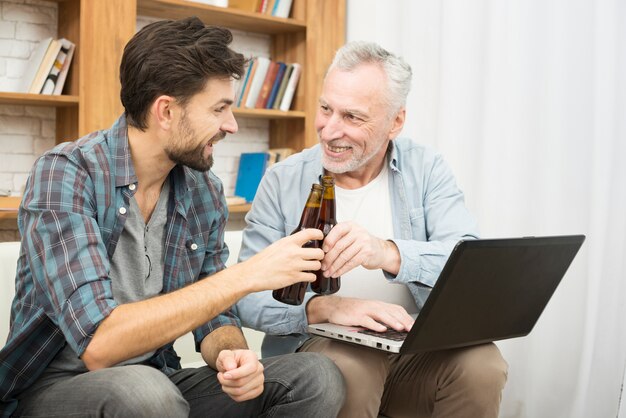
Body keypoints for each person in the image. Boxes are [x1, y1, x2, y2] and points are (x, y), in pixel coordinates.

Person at [0, 17, 346, 418]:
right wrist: (247, 275)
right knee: (143, 393)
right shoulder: (65, 174)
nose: (230, 125)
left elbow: (215, 313)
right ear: (165, 111)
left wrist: (233, 357)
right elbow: (99, 343)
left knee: (315, 376)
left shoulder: (203, 189)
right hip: (54, 390)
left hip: (159, 382)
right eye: (219, 109)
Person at [234, 41, 508, 418]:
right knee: (350, 370)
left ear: (395, 121)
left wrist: (388, 252)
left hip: (413, 352)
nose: (330, 130)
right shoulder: (283, 181)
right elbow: (246, 297)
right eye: (326, 109)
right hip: (323, 348)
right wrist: (327, 307)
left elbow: (469, 261)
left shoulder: (426, 169)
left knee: (483, 365)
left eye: (352, 117)